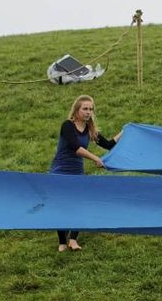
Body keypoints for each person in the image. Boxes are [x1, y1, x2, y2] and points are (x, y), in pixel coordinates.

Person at [49, 95, 122, 252]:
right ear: (76, 110)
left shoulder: (90, 129)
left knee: (80, 204)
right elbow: (75, 147)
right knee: (62, 205)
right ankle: (62, 242)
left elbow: (108, 145)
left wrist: (125, 131)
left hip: (77, 172)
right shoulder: (67, 125)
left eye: (91, 109)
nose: (89, 112)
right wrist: (96, 158)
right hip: (60, 171)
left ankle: (73, 239)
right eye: (85, 109)